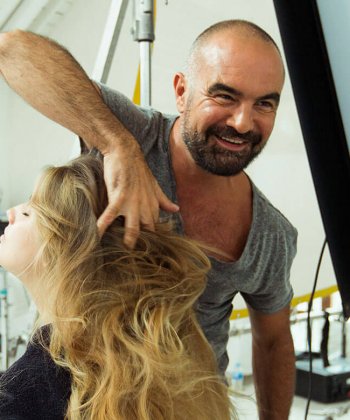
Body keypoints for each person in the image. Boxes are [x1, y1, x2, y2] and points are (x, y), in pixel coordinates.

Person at [0, 19, 297, 419]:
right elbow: (12, 50)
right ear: (181, 91)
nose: (243, 122)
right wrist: (117, 144)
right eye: (225, 96)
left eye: (264, 103)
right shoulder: (133, 133)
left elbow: (274, 341)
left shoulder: (270, 236)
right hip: (88, 399)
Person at [0, 154, 233, 420]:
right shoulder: (146, 371)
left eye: (29, 212)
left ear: (62, 251)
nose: (11, 213)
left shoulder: (29, 391)